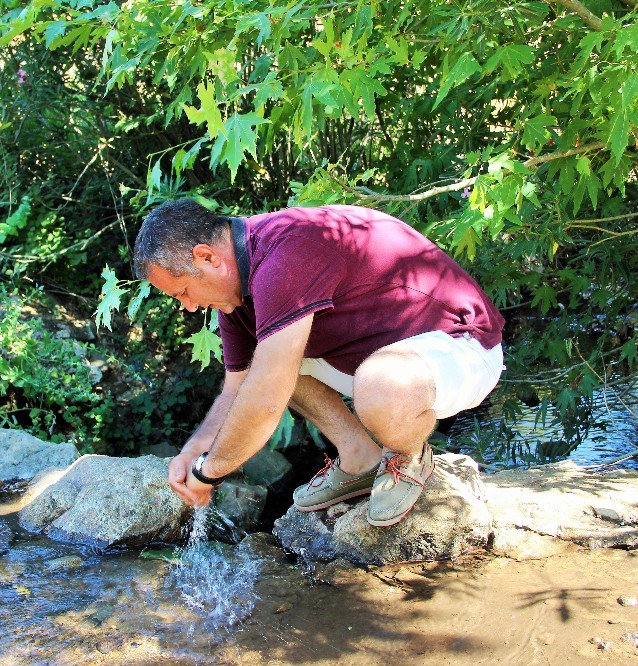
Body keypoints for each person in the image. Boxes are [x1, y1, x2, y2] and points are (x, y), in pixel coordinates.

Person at [133, 199, 504, 527]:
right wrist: (193, 451)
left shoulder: (287, 253)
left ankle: (408, 454)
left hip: (463, 346)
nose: (190, 306)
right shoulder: (234, 294)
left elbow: (265, 402)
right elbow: (237, 390)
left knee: (369, 384)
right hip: (387, 362)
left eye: (182, 292)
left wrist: (210, 472)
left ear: (207, 258)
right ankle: (359, 458)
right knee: (277, 365)